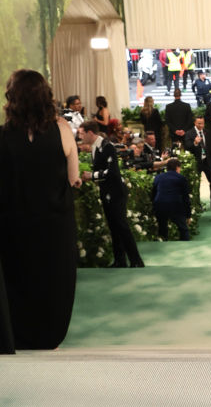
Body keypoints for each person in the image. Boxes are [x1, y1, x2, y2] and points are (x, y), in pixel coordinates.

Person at [0, 69, 80, 349]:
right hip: (55, 223)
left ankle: (20, 335)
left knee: (19, 278)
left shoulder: (3, 135)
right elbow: (73, 178)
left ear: (12, 98)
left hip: (13, 224)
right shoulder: (62, 129)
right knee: (54, 279)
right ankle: (50, 336)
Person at [79, 120, 145, 268]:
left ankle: (136, 260)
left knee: (121, 225)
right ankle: (120, 260)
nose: (80, 136)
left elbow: (113, 172)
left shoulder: (107, 146)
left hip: (116, 192)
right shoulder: (96, 147)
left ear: (90, 133)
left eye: (82, 133)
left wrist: (92, 176)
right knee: (114, 226)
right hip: (107, 192)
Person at [185, 116, 211, 207]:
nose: (201, 125)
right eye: (199, 123)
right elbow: (187, 147)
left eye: (202, 123)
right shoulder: (189, 133)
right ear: (195, 123)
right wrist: (195, 143)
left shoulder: (207, 132)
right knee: (196, 183)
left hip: (207, 161)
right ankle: (197, 204)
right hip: (196, 162)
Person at [151, 158, 192, 240]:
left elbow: (153, 193)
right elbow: (185, 198)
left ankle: (163, 243)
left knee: (162, 229)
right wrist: (188, 215)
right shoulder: (181, 178)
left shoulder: (158, 177)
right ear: (177, 167)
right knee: (183, 229)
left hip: (160, 205)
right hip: (175, 205)